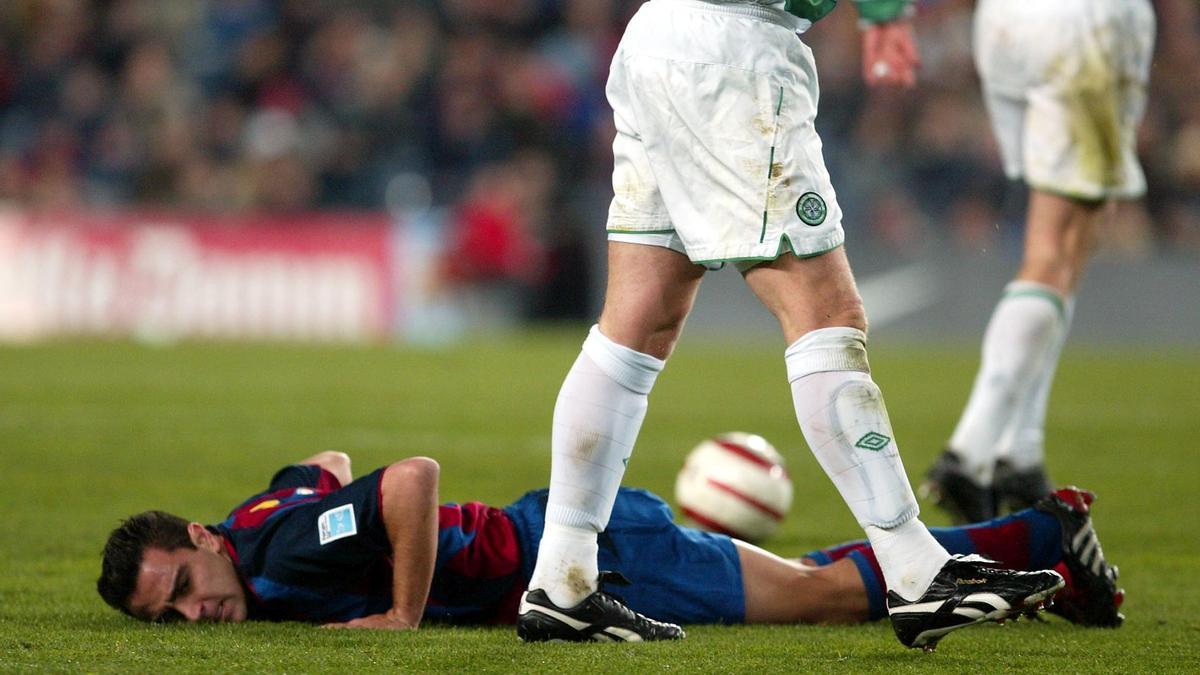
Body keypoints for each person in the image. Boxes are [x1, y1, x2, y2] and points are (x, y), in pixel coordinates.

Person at [518, 0, 1064, 650]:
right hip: (730, 53)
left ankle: (562, 578)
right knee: (825, 312)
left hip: (658, 39)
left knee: (638, 322)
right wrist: (886, 12)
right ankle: (916, 571)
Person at [97, 452, 1124, 637]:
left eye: (185, 585)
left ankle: (1044, 538)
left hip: (590, 557)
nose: (198, 612)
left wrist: (402, 611)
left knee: (824, 600)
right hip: (577, 533)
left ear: (200, 539)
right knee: (807, 577)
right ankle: (1040, 533)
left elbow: (408, 480)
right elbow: (320, 465)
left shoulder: (275, 560)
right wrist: (295, 503)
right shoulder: (254, 531)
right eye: (172, 614)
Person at [922, 0, 1157, 523]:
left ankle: (1020, 452)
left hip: (1004, 21)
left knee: (1058, 237)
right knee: (1061, 243)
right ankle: (970, 450)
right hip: (1084, 24)